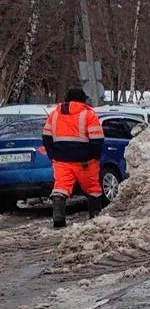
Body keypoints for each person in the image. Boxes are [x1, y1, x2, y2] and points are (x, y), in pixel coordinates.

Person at [41, 87, 104, 229]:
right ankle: (95, 217)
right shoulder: (88, 115)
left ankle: (58, 217)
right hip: (85, 160)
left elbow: (46, 136)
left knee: (61, 187)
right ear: (83, 99)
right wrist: (95, 156)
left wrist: (52, 154)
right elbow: (97, 138)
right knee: (92, 188)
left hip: (61, 159)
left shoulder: (55, 114)